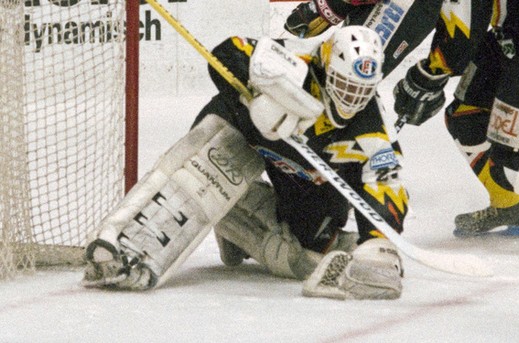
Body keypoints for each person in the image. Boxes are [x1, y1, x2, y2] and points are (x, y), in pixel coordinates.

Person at [82, 26, 408, 300]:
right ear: (327, 68)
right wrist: (266, 99)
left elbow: (388, 185)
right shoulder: (297, 60)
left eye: (362, 91)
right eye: (346, 86)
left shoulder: (373, 128)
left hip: (305, 178)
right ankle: (119, 238)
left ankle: (236, 228)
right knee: (196, 176)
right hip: (247, 127)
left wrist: (376, 243)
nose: (352, 100)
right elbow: (225, 53)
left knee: (302, 254)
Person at [287, 0, 519, 236]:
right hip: (517, 29)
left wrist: (431, 72)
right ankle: (508, 206)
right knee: (466, 119)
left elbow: (461, 37)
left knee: (512, 164)